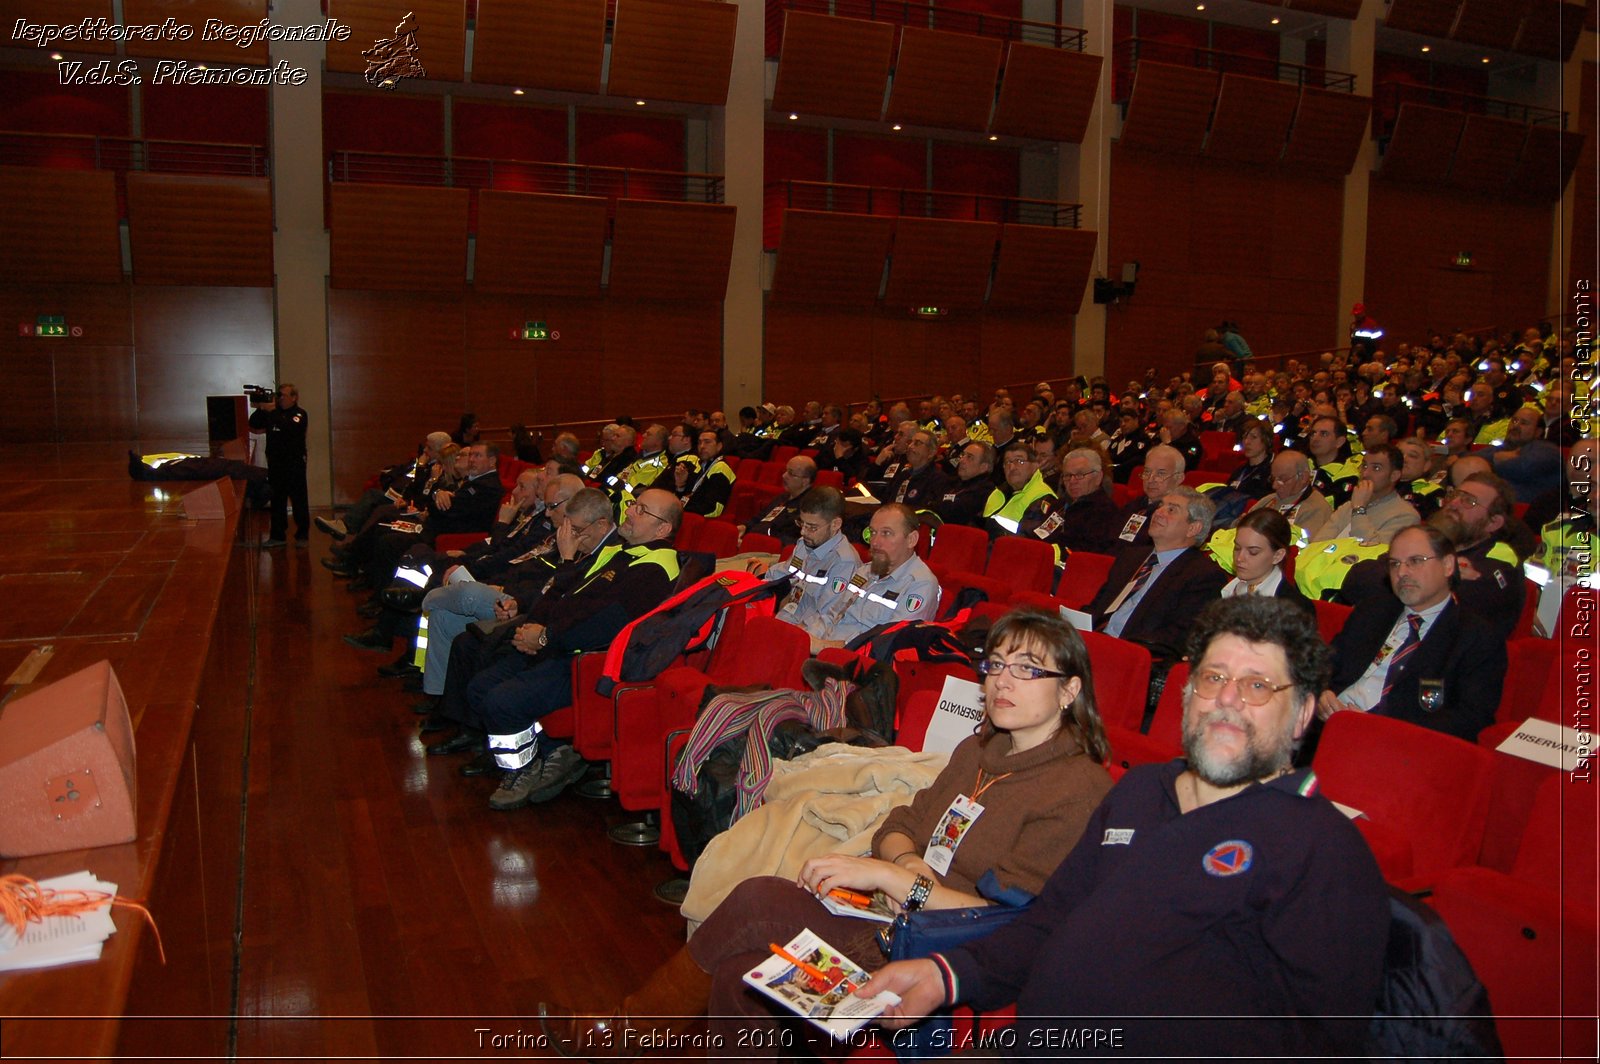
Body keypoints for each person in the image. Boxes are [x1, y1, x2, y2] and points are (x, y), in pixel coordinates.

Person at [539, 607, 1116, 1054]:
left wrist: (895, 877)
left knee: (760, 899)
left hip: (946, 956)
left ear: (1070, 691)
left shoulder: (1078, 790)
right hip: (893, 914)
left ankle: (626, 1033)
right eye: (995, 666)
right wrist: (904, 869)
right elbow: (901, 823)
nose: (1002, 683)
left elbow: (1005, 921)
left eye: (1028, 670)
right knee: (742, 977)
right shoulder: (978, 748)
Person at [858, 596, 1390, 1058]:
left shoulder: (1323, 853)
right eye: (1213, 678)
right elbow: (1048, 922)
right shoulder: (1139, 793)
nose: (1228, 698)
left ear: (1300, 717)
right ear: (1187, 695)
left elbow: (1316, 1043)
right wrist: (945, 975)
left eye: (1257, 686)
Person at [1317, 523, 1507, 743]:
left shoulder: (1476, 637)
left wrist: (1380, 726)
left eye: (1415, 561)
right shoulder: (1373, 610)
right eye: (1394, 564)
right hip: (1327, 725)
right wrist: (1321, 693)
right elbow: (1325, 664)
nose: (1402, 573)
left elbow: (1470, 719)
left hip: (1396, 745)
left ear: (1447, 565)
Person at [1088, 487, 1228, 661]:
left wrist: (1114, 647)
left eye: (1171, 510)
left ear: (1193, 528)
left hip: (1131, 657)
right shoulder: (1130, 557)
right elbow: (1097, 607)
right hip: (1092, 643)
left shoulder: (1203, 575)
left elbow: (1175, 639)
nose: (1158, 512)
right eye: (1160, 506)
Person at [807, 503, 939, 654]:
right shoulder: (865, 571)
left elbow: (887, 645)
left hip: (859, 666)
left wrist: (822, 647)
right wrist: (805, 637)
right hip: (826, 651)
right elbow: (832, 615)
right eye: (873, 532)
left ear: (911, 539)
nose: (875, 542)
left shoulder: (921, 585)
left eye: (886, 533)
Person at [758, 487, 862, 638]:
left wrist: (785, 635)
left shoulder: (844, 562)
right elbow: (782, 574)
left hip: (804, 636)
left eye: (812, 527)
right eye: (801, 523)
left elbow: (827, 619)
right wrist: (758, 581)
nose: (803, 532)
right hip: (783, 621)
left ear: (835, 524)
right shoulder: (805, 544)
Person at [1313, 444, 1419, 545]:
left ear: (1394, 476)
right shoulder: (1348, 506)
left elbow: (1373, 553)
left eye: (1376, 468)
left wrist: (1359, 510)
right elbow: (1317, 544)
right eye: (1364, 466)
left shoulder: (1405, 516)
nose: (1365, 473)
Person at [249, 382, 310, 547]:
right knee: (277, 499)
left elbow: (290, 429)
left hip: (294, 463)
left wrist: (272, 413)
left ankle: (302, 534)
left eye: (284, 395)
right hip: (276, 463)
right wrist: (261, 408)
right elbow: (254, 424)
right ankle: (277, 535)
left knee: (298, 500)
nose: (280, 398)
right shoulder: (272, 413)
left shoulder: (300, 414)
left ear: (294, 397)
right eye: (279, 395)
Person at [1220, 509, 1313, 616]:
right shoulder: (1227, 590)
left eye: (1253, 552)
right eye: (1237, 548)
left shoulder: (1295, 608)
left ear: (1277, 556)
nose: (1239, 558)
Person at [1036, 447, 1120, 556]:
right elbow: (1040, 535)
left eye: (1080, 475)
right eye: (1067, 475)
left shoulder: (1105, 513)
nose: (1072, 481)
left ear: (1098, 477)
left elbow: (1085, 554)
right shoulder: (1058, 506)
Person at [742, 456, 817, 545]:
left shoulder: (809, 507)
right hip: (753, 541)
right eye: (786, 471)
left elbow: (790, 539)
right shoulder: (782, 497)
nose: (784, 476)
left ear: (805, 481)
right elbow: (760, 517)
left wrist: (759, 540)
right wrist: (745, 527)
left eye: (791, 473)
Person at [1223, 417, 1274, 500]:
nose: (1247, 442)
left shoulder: (1271, 472)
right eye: (1244, 437)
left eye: (1253, 437)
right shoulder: (1240, 469)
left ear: (1266, 440)